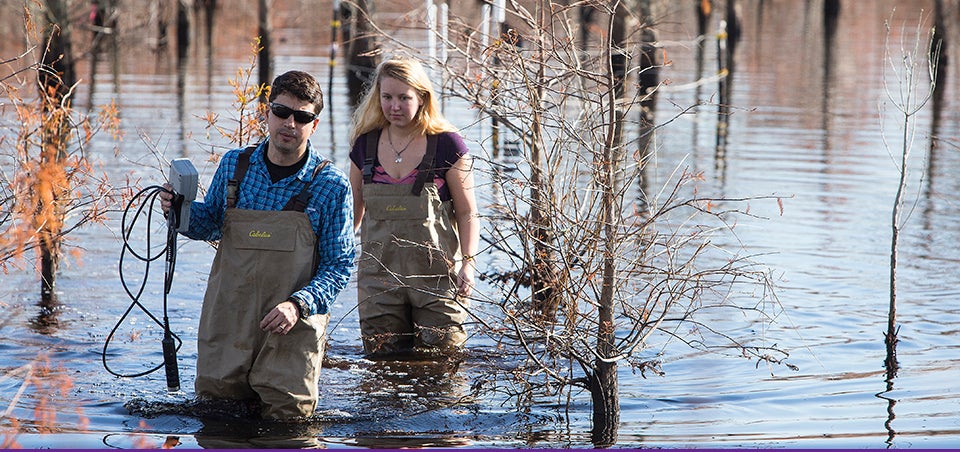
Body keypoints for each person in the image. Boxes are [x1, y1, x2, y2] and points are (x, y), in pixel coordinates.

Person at [160, 70, 355, 419]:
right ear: (266, 112)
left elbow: (339, 265)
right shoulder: (234, 165)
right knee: (217, 419)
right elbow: (212, 223)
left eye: (302, 116)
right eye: (281, 112)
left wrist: (298, 305)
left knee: (288, 422)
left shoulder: (332, 185)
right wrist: (179, 212)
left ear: (315, 124)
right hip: (229, 318)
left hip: (292, 326)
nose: (289, 123)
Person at [348, 56, 479, 357]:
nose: (394, 106)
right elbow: (353, 214)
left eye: (404, 98)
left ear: (422, 98)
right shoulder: (364, 145)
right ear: (377, 97)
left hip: (438, 280)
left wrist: (468, 265)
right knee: (381, 365)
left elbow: (468, 212)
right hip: (378, 280)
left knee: (443, 366)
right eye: (387, 97)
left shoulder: (448, 145)